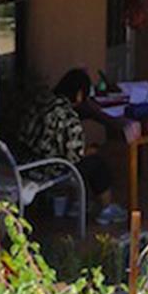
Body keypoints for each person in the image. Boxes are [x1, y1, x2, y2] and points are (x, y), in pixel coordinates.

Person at [20, 67, 128, 226]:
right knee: (96, 163)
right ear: (79, 94)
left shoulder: (41, 101)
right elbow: (75, 156)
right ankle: (106, 209)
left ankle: (78, 204)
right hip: (47, 167)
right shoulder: (68, 115)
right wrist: (90, 150)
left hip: (27, 160)